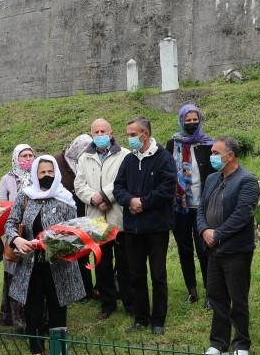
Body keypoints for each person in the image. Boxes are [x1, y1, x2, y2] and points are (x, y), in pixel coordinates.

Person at [5, 155, 85, 355]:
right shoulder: (26, 196)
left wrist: (58, 245)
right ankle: (36, 353)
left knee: (58, 308)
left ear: (56, 173)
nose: (46, 176)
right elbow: (10, 223)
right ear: (35, 174)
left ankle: (59, 351)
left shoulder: (66, 198)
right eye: (42, 172)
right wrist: (16, 239)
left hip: (58, 266)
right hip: (31, 266)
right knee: (33, 310)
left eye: (50, 172)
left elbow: (75, 231)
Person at [197, 137, 258, 355]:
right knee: (216, 296)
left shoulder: (247, 181)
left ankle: (241, 343)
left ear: (230, 155)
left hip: (236, 250)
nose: (211, 157)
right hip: (213, 249)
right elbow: (201, 207)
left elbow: (242, 215)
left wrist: (218, 234)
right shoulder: (212, 178)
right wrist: (204, 231)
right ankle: (218, 342)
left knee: (237, 298)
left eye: (215, 152)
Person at [113, 117, 176, 335]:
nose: (129, 138)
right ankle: (141, 317)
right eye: (128, 134)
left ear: (145, 135)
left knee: (158, 275)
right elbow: (118, 186)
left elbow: (168, 188)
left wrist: (144, 202)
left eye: (132, 134)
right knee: (136, 274)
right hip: (132, 228)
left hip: (156, 227)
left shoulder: (163, 158)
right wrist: (130, 200)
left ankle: (158, 320)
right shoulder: (129, 160)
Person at [75, 119, 132, 319]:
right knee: (102, 263)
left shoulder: (124, 155)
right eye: (96, 132)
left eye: (103, 131)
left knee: (125, 263)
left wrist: (105, 196)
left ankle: (128, 301)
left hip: (119, 217)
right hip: (96, 219)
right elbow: (79, 184)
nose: (100, 135)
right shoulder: (85, 157)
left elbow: (123, 180)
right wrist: (94, 199)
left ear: (111, 133)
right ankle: (107, 303)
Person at [165, 104, 215, 306]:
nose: (192, 123)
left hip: (202, 206)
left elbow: (214, 174)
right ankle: (192, 290)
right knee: (184, 250)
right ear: (181, 120)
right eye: (188, 120)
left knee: (204, 249)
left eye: (196, 119)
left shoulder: (208, 144)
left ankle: (210, 293)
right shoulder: (172, 144)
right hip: (180, 207)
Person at [54, 135, 95, 299]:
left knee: (84, 252)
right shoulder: (58, 161)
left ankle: (87, 290)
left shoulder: (87, 161)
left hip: (85, 213)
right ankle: (72, 291)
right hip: (64, 215)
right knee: (68, 254)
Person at [0, 144, 34, 331]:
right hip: (14, 232)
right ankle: (17, 320)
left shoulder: (38, 177)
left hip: (34, 232)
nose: (28, 159)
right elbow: (2, 207)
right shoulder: (7, 179)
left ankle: (36, 316)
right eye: (23, 156)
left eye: (30, 155)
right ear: (16, 158)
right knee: (14, 273)